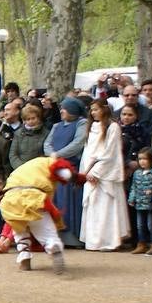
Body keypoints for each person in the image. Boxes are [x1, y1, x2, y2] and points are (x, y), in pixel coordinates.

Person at [0, 156, 84, 273]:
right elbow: (66, 174)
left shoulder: (25, 167)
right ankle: (53, 245)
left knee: (19, 230)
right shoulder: (51, 163)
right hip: (33, 197)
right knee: (46, 231)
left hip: (11, 199)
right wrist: (78, 178)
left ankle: (24, 258)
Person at [79, 99, 129, 251]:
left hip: (105, 174)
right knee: (93, 205)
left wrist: (96, 172)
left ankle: (109, 240)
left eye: (96, 109)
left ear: (104, 109)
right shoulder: (91, 127)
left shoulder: (113, 127)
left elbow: (110, 152)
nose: (93, 113)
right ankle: (93, 241)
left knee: (106, 206)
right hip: (89, 171)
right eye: (91, 110)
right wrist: (85, 173)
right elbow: (87, 153)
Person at [44, 97, 88, 248]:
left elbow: (77, 144)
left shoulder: (81, 124)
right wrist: (52, 155)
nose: (62, 111)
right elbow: (47, 143)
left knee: (69, 204)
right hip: (55, 168)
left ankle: (73, 238)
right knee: (56, 203)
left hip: (71, 168)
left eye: (65, 108)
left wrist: (58, 154)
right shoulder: (56, 126)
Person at [127, 147, 152, 255]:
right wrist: (131, 198)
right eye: (140, 159)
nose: (142, 161)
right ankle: (141, 244)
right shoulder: (137, 173)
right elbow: (134, 187)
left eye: (145, 159)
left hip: (151, 203)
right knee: (140, 225)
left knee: (151, 225)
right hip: (139, 204)